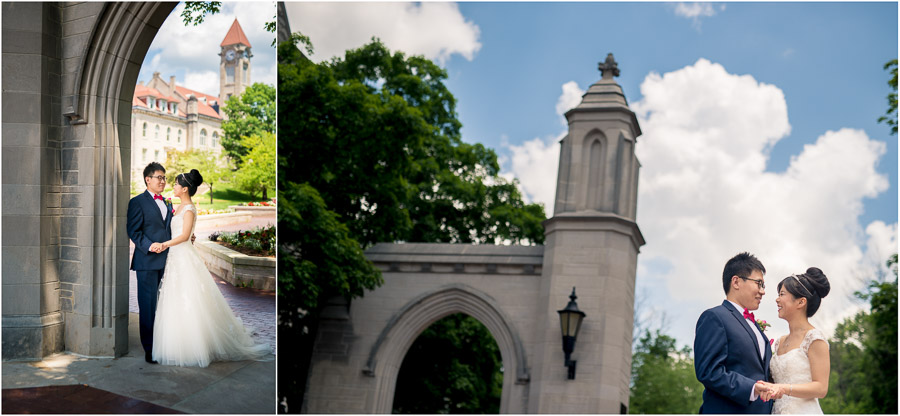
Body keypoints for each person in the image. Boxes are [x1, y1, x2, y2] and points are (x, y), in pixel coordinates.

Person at [151, 169, 270, 367]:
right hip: (175, 258)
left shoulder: (189, 208)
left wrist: (164, 244)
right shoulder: (178, 207)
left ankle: (194, 345)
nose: (173, 186)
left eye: (176, 184)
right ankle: (177, 341)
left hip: (184, 257)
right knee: (175, 298)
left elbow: (184, 235)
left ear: (185, 188)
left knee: (190, 298)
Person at [694, 252, 774, 414]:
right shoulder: (715, 317)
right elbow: (709, 371)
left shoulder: (755, 326)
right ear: (736, 282)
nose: (763, 291)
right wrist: (751, 388)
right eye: (759, 283)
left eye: (763, 286)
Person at [754, 268, 831, 414]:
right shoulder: (779, 342)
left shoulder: (815, 339)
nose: (777, 299)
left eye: (782, 294)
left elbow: (821, 388)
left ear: (801, 302)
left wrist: (783, 388)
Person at [127, 162, 173, 364]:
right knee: (147, 306)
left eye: (164, 177)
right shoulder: (137, 202)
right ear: (148, 179)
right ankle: (150, 349)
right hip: (146, 262)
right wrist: (149, 245)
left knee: (164, 305)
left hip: (168, 261)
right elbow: (134, 231)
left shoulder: (167, 202)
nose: (163, 181)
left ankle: (164, 342)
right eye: (159, 177)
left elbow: (169, 230)